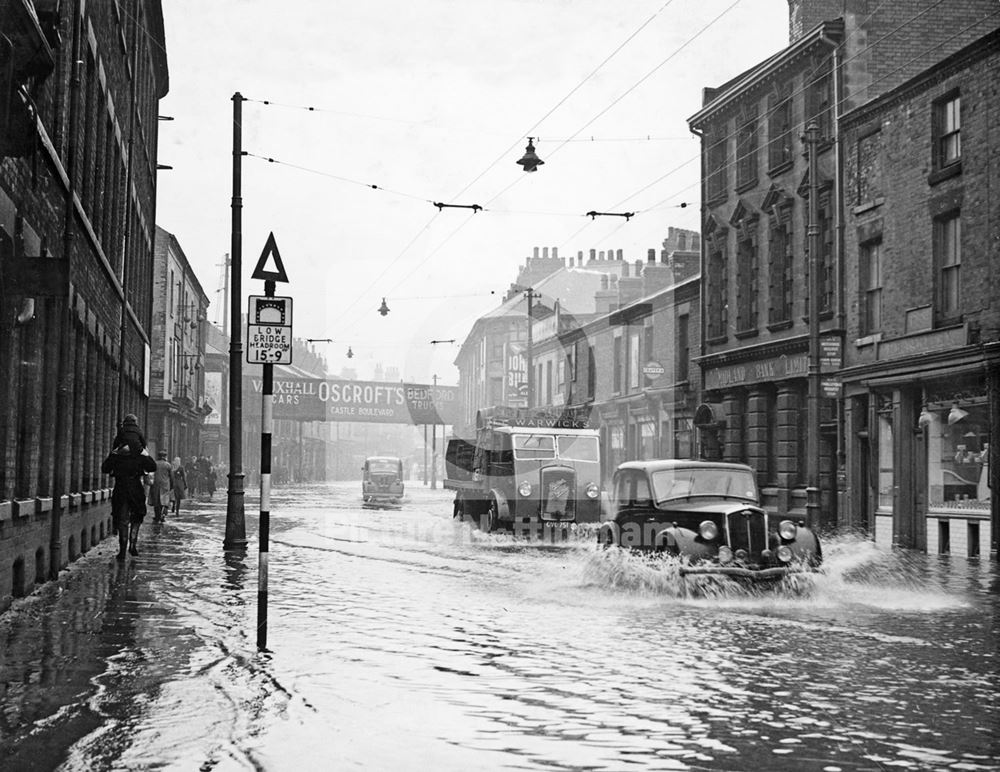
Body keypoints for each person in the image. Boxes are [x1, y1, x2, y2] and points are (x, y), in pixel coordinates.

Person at [102, 447, 156, 559]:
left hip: (121, 489)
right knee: (137, 517)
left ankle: (122, 551)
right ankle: (132, 545)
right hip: (136, 489)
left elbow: (105, 468)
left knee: (122, 520)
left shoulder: (117, 455)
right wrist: (145, 453)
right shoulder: (139, 455)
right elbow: (152, 466)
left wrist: (113, 453)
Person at [149, 449, 173, 520]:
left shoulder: (154, 463)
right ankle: (163, 514)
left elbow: (150, 474)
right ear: (165, 457)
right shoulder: (168, 465)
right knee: (165, 501)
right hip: (165, 485)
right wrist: (172, 486)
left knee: (156, 501)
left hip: (155, 485)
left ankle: (157, 516)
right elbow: (171, 477)